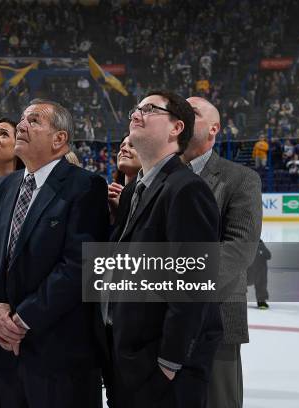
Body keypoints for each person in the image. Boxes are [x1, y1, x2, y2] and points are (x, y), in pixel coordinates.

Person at [0, 99, 109, 408]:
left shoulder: (86, 186)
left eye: (33, 121)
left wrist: (20, 320)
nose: (21, 126)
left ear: (59, 139)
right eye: (21, 120)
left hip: (60, 358)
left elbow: (80, 266)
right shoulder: (1, 188)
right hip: (6, 354)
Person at [107, 91, 222, 407]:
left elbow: (194, 286)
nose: (136, 113)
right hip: (129, 362)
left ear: (176, 128)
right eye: (136, 108)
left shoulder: (187, 189)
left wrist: (168, 364)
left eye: (149, 109)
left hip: (162, 372)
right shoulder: (134, 192)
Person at [183, 96, 262, 408]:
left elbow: (240, 248)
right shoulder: (159, 176)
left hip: (216, 318)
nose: (184, 116)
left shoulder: (240, 179)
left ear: (214, 128)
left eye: (194, 113)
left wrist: (181, 285)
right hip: (159, 320)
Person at [108, 134, 142, 224]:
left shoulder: (154, 195)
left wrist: (124, 208)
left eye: (132, 146)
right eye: (121, 146)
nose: (123, 149)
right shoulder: (110, 194)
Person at [247, 240, 271, 310]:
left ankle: (261, 300)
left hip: (257, 273)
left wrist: (260, 253)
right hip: (244, 272)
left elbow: (268, 255)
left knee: (262, 266)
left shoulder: (258, 242)